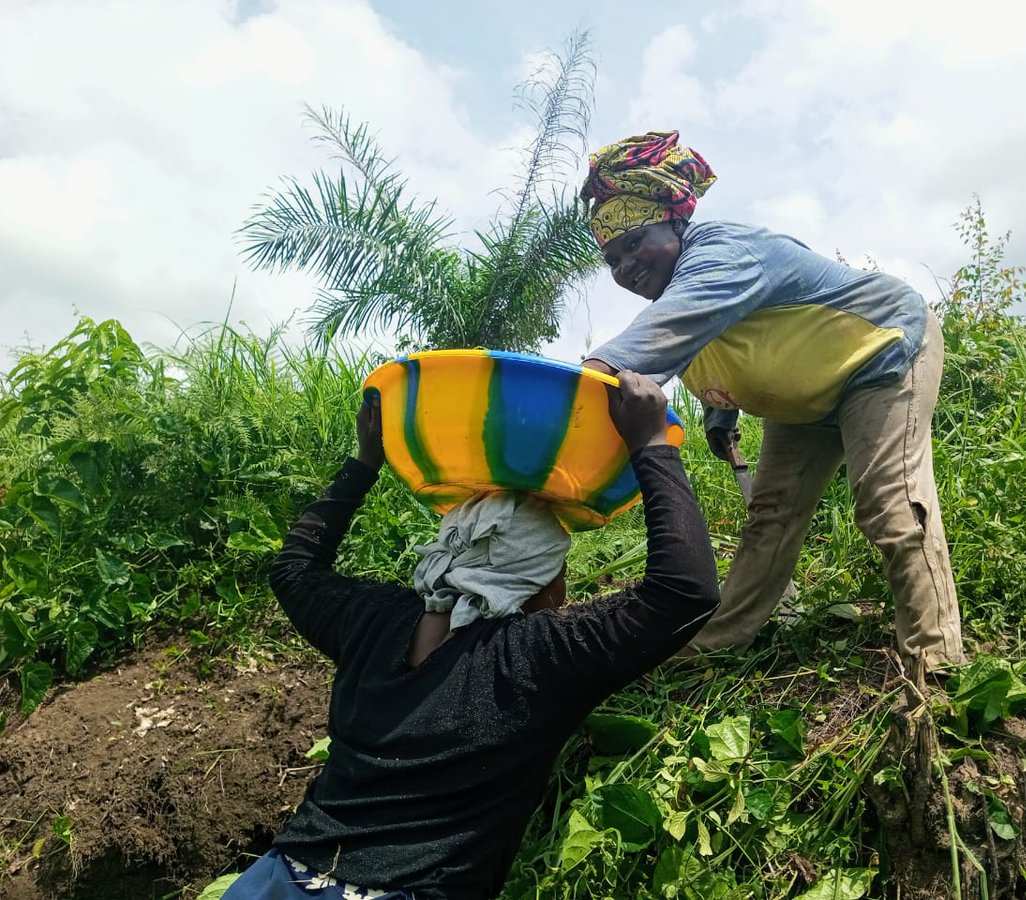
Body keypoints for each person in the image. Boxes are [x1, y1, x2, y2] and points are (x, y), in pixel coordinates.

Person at [221, 370, 719, 900]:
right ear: (541, 583)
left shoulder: (372, 621)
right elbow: (685, 592)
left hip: (278, 879)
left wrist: (365, 462)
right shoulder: (538, 658)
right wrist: (651, 443)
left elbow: (294, 570)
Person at [579, 130, 966, 673]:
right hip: (807, 394)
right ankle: (715, 646)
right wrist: (721, 416)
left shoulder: (721, 253)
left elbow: (642, 347)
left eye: (636, 241)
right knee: (771, 516)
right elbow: (718, 348)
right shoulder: (681, 289)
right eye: (612, 259)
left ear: (674, 223)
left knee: (888, 501)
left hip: (880, 350)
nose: (625, 267)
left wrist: (559, 406)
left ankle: (938, 662)